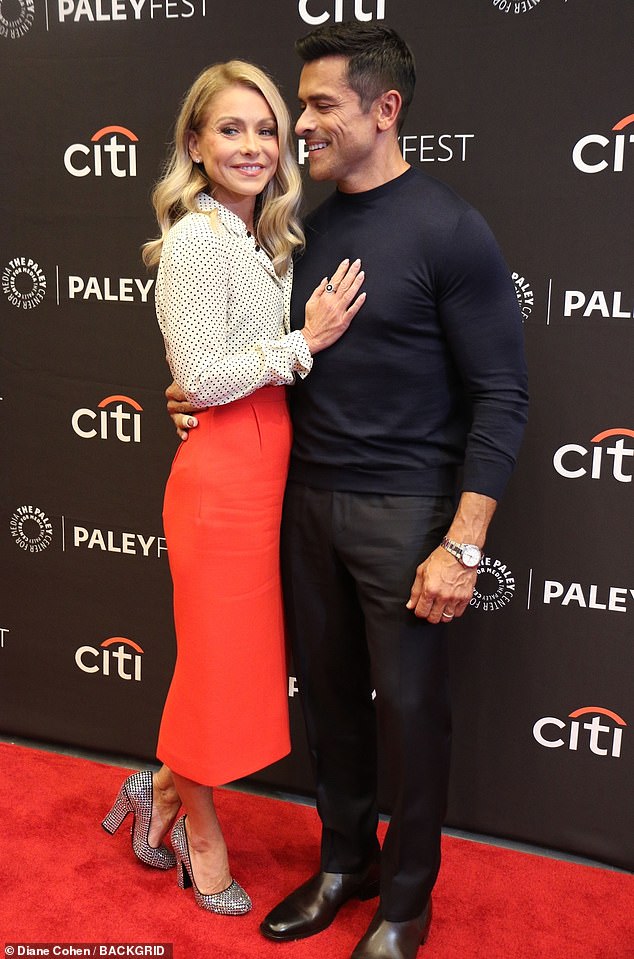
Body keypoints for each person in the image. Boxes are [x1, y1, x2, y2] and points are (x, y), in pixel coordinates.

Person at [168, 23, 528, 958]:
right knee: (329, 704)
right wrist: (189, 391)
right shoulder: (300, 232)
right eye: (301, 109)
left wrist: (465, 541)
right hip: (301, 505)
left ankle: (406, 903)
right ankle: (345, 864)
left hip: (408, 515)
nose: (302, 129)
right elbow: (242, 357)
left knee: (410, 716)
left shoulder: (451, 227)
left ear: (384, 109)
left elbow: (503, 394)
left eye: (319, 107)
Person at [101, 59, 365, 916]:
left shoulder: (264, 237)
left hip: (267, 473)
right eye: (230, 128)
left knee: (236, 664)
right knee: (213, 666)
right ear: (194, 142)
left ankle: (162, 786)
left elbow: (210, 368)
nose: (252, 145)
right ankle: (197, 828)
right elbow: (203, 375)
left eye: (264, 128)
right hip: (221, 480)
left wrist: (256, 363)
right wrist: (307, 339)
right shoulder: (193, 237)